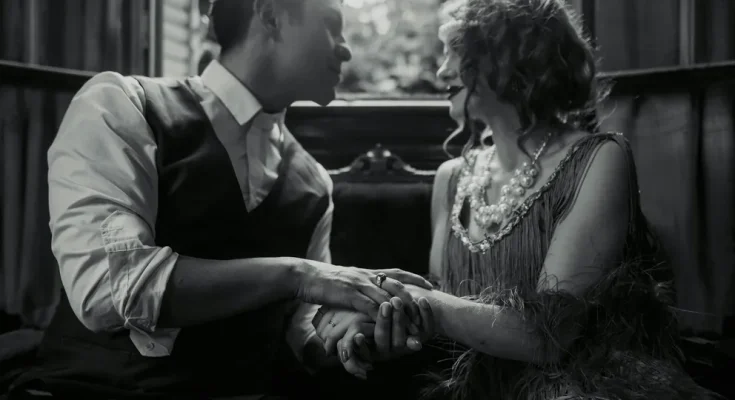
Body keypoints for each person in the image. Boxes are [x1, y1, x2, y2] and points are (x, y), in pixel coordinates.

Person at [8, 0, 435, 399]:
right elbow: (106, 288)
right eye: (331, 25)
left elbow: (302, 333)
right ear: (270, 15)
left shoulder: (315, 182)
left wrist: (350, 339)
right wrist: (301, 275)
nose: (345, 49)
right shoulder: (122, 105)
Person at [311, 0, 720, 399]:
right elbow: (443, 325)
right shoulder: (451, 177)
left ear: (511, 56)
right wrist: (381, 323)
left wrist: (419, 299)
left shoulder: (599, 158)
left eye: (455, 52)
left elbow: (550, 337)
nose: (441, 70)